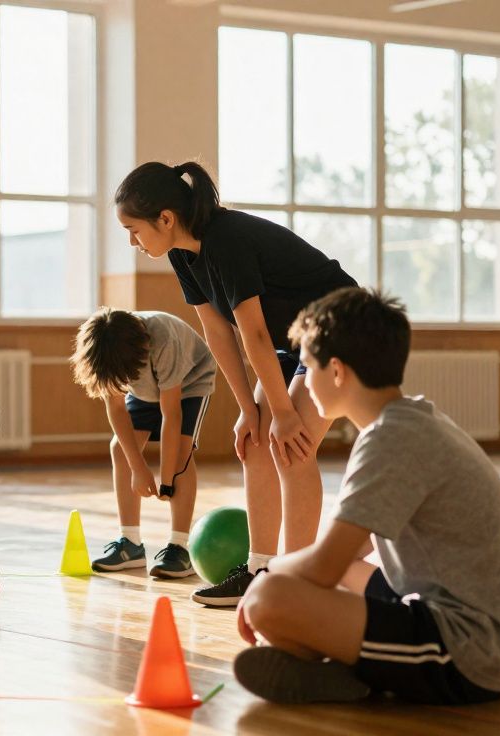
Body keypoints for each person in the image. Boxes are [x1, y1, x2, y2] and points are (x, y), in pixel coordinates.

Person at [234, 287, 500, 704]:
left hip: (469, 653)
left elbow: (321, 566)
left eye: (308, 367)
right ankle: (358, 672)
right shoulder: (411, 421)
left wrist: (265, 576)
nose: (304, 382)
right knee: (326, 576)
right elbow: (344, 558)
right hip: (478, 630)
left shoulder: (391, 439)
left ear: (337, 372)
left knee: (269, 600)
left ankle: (359, 671)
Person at [114, 161, 357, 606]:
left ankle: (297, 580)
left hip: (340, 324)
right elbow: (218, 333)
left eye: (133, 229)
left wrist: (283, 413)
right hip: (291, 341)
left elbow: (254, 334)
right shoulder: (181, 254)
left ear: (165, 219)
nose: (131, 240)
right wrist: (250, 409)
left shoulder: (225, 240)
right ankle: (259, 571)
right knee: (256, 444)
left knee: (291, 445)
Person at [70, 307, 216, 578]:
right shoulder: (106, 350)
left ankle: (179, 547)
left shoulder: (164, 340)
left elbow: (171, 415)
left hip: (190, 383)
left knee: (182, 454)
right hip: (145, 390)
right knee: (119, 448)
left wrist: (167, 479)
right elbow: (116, 408)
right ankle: (131, 544)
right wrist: (138, 468)